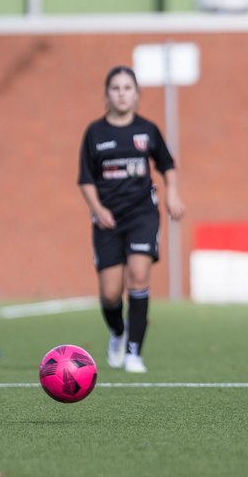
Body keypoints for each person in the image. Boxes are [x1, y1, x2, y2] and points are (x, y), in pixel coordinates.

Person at [77, 66, 185, 374]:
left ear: (137, 95)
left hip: (142, 215)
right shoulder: (95, 133)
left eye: (127, 88)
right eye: (116, 88)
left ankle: (135, 353)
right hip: (107, 220)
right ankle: (117, 332)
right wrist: (98, 208)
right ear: (106, 94)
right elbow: (85, 179)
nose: (122, 93)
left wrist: (172, 195)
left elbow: (167, 165)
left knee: (139, 276)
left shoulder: (148, 130)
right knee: (110, 293)